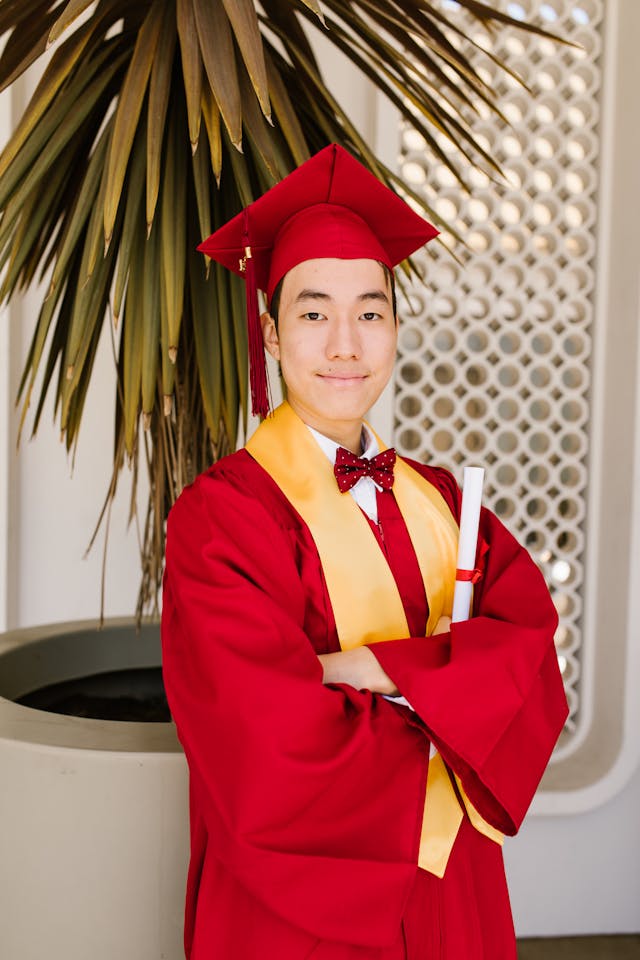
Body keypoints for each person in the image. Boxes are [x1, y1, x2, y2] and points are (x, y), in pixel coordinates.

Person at [161, 144, 568, 960]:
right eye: (314, 314)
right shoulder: (220, 520)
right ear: (272, 335)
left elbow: (529, 655)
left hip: (451, 882)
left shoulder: (445, 503)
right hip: (302, 904)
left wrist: (369, 670)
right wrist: (452, 695)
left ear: (395, 330)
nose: (345, 344)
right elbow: (261, 737)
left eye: (370, 313)